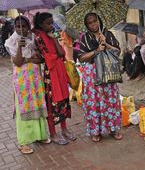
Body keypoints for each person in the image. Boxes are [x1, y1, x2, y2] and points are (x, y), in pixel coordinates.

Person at [5, 16, 50, 154]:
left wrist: (28, 59)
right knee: (24, 107)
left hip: (35, 77)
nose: (21, 29)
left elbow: (40, 59)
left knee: (37, 104)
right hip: (22, 80)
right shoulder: (10, 42)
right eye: (18, 26)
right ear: (14, 27)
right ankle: (23, 142)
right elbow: (18, 62)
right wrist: (20, 47)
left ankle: (39, 135)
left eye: (24, 26)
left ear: (28, 27)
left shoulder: (32, 39)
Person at [32, 12, 76, 145]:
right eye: (48, 23)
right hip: (50, 75)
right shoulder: (39, 38)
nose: (51, 26)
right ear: (41, 24)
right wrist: (56, 54)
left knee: (63, 100)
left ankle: (64, 129)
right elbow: (48, 58)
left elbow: (62, 53)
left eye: (52, 23)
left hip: (60, 72)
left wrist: (55, 39)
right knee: (52, 104)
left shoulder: (52, 36)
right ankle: (53, 133)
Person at [78, 12, 123, 142]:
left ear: (99, 21)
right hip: (92, 74)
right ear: (87, 25)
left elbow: (118, 51)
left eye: (95, 21)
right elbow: (81, 57)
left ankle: (113, 129)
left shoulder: (107, 34)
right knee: (95, 102)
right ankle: (95, 131)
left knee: (110, 100)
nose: (93, 24)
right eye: (90, 23)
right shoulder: (85, 38)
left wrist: (106, 44)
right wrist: (97, 50)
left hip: (108, 71)